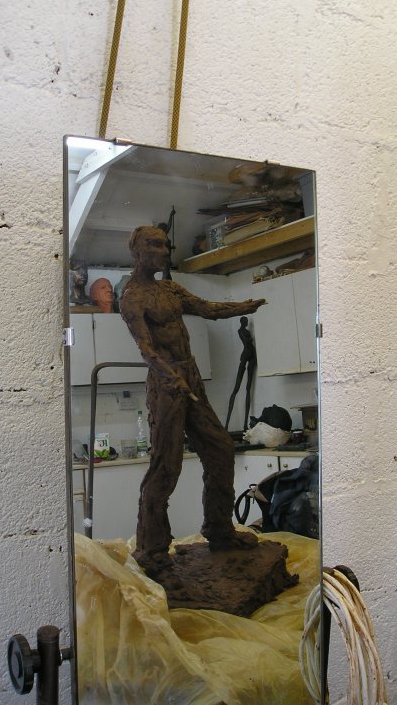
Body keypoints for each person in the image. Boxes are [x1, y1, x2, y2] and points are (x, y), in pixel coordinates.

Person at [120, 225, 266, 574]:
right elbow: (146, 350)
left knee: (221, 450)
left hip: (192, 377)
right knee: (166, 467)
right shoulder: (132, 297)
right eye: (155, 245)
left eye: (165, 245)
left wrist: (244, 306)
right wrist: (171, 377)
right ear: (137, 251)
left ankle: (219, 529)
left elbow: (207, 308)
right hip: (167, 386)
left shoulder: (170, 289)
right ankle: (152, 548)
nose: (164, 251)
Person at [224, 316, 257, 431]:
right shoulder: (240, 331)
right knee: (236, 389)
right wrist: (249, 339)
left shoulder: (246, 331)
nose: (247, 323)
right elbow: (247, 341)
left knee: (248, 388)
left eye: (247, 321)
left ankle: (245, 425)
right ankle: (226, 425)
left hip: (252, 356)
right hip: (245, 356)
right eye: (245, 321)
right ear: (242, 322)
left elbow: (249, 341)